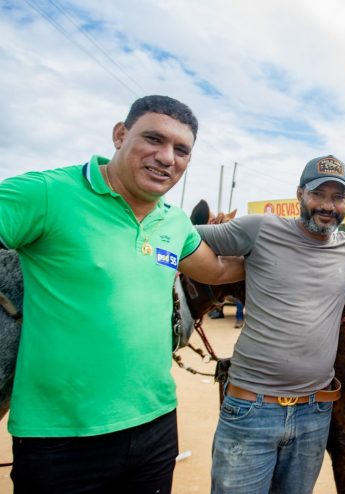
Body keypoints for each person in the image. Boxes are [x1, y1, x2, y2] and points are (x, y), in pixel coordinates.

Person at [0, 95, 244, 493]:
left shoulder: (175, 222)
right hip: (60, 438)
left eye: (181, 150)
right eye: (154, 139)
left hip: (156, 425)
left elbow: (217, 269)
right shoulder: (46, 193)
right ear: (120, 135)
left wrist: (301, 256)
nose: (167, 157)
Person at [195, 155, 345, 494]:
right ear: (300, 194)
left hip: (313, 414)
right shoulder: (259, 229)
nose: (328, 206)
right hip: (252, 410)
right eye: (319, 194)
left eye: (338, 197)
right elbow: (184, 237)